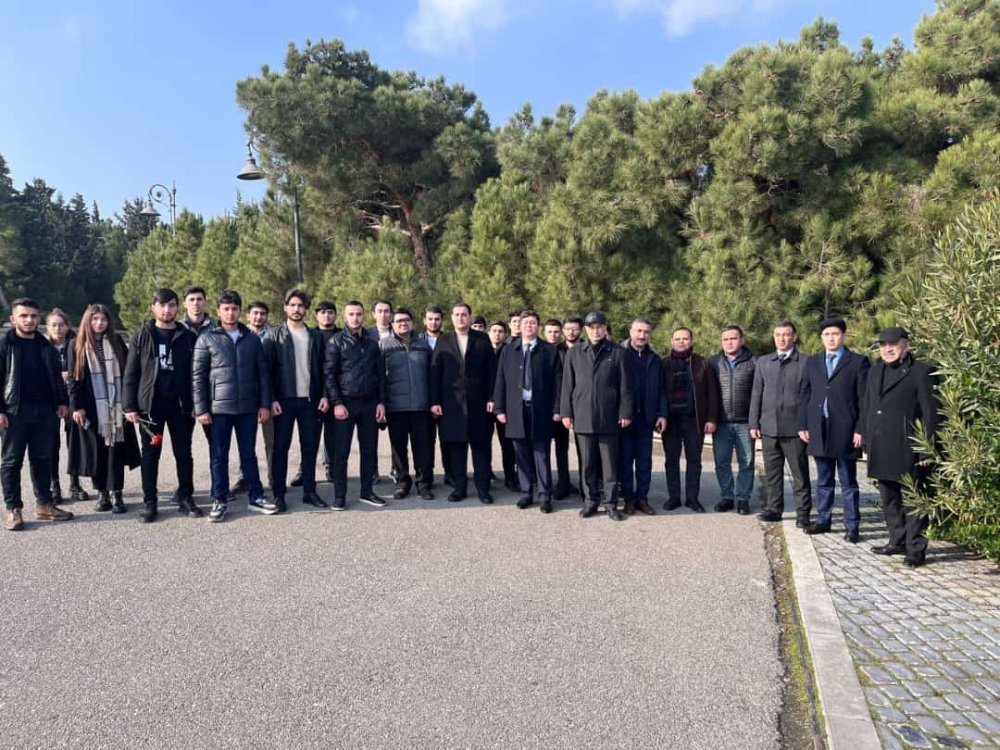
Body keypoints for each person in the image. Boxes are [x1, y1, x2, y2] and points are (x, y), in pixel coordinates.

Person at [192, 289, 277, 522]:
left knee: (249, 455)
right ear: (218, 311)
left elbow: (263, 375)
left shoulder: (251, 339)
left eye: (234, 309)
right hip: (218, 410)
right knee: (219, 456)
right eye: (226, 309)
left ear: (240, 311)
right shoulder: (207, 338)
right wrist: (201, 409)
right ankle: (219, 499)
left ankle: (256, 496)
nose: (230, 313)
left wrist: (264, 404)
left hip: (248, 408)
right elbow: (198, 377)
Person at [862, 327, 940, 567]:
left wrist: (929, 448)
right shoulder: (875, 371)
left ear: (905, 345)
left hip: (909, 446)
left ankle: (915, 549)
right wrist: (866, 438)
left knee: (914, 498)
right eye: (883, 345)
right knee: (889, 497)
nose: (887, 349)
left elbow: (932, 413)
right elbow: (868, 406)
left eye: (892, 344)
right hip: (881, 443)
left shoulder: (922, 372)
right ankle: (897, 540)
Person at [123, 288, 201, 522]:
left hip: (180, 407)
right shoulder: (142, 335)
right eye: (162, 305)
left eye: (171, 305)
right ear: (153, 307)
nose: (167, 310)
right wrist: (130, 406)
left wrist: (197, 403)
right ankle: (150, 502)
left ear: (178, 308)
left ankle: (186, 497)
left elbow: (196, 373)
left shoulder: (187, 336)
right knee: (150, 453)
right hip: (150, 408)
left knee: (183, 452)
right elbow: (131, 372)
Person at [1, 298, 74, 531]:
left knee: (42, 459)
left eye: (33, 316)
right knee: (12, 461)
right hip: (14, 412)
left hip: (44, 411)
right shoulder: (5, 345)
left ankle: (44, 505)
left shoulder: (45, 346)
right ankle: (13, 509)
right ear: (13, 318)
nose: (29, 320)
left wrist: (62, 401)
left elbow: (56, 377)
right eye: (23, 316)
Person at [798, 316, 870, 543]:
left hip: (846, 430)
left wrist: (860, 429)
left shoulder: (858, 362)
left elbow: (864, 399)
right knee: (823, 479)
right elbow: (805, 394)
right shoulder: (813, 361)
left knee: (848, 481)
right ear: (821, 337)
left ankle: (852, 526)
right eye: (827, 334)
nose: (831, 338)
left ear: (844, 336)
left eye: (835, 334)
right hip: (819, 429)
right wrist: (803, 424)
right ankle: (823, 520)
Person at [67, 303, 141, 514]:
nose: (99, 323)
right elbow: (73, 378)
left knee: (115, 451)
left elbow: (128, 373)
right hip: (91, 407)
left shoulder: (116, 341)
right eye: (95, 319)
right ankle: (102, 493)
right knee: (97, 451)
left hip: (116, 406)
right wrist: (77, 406)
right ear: (87, 321)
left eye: (103, 319)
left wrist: (129, 403)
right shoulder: (76, 344)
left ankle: (117, 493)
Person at [560, 311, 632, 521]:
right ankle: (590, 501)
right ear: (586, 330)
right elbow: (567, 385)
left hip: (609, 417)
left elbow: (625, 386)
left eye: (599, 327)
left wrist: (625, 412)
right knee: (587, 464)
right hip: (582, 416)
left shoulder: (617, 352)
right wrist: (566, 412)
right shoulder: (575, 352)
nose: (595, 331)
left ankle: (610, 503)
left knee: (609, 465)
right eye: (591, 327)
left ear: (605, 328)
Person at [263, 289, 330, 513]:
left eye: (300, 305)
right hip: (283, 401)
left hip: (310, 401)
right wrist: (271, 399)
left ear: (306, 309)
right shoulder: (273, 335)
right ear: (285, 307)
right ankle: (279, 495)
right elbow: (266, 371)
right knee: (280, 448)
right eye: (292, 305)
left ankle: (310, 492)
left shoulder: (315, 336)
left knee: (309, 448)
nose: (296, 309)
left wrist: (325, 395)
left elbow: (325, 369)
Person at [492, 310, 562, 513]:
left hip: (541, 410)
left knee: (541, 454)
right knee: (521, 454)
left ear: (538, 326)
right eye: (526, 323)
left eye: (533, 323)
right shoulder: (508, 350)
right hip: (516, 409)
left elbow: (558, 383)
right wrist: (499, 408)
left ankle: (544, 494)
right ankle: (526, 492)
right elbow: (500, 380)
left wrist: (557, 408)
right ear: (519, 326)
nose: (529, 326)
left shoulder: (549, 351)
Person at [431, 302, 496, 503]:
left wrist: (492, 397)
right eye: (457, 314)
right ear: (452, 318)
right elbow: (435, 372)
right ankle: (459, 488)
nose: (460, 318)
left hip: (479, 404)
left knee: (481, 448)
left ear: (470, 317)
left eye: (464, 314)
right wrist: (434, 401)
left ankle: (483, 489)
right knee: (457, 449)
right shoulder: (443, 340)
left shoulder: (482, 339)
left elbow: (492, 371)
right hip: (452, 404)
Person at [325, 300, 387, 510]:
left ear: (364, 316)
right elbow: (329, 375)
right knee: (341, 453)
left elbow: (380, 375)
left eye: (359, 314)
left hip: (369, 404)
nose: (355, 318)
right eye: (351, 314)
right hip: (346, 404)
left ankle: (367, 492)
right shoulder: (335, 342)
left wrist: (381, 402)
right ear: (345, 317)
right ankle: (339, 496)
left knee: (369, 450)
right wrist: (337, 403)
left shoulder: (372, 344)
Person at [749, 321, 812, 526]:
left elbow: (810, 396)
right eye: (778, 335)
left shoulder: (805, 362)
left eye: (786, 334)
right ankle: (774, 509)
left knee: (799, 474)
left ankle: (803, 513)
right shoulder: (764, 362)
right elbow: (756, 393)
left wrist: (806, 424)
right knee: (772, 474)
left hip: (795, 429)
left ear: (794, 337)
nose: (782, 339)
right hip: (769, 427)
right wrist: (753, 423)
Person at [379, 308, 434, 501]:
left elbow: (432, 375)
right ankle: (403, 483)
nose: (403, 323)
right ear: (392, 324)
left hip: (421, 406)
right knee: (398, 448)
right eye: (399, 321)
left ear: (412, 322)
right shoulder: (384, 346)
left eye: (406, 320)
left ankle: (423, 484)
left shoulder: (423, 346)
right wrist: (381, 403)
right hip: (396, 407)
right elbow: (379, 377)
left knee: (423, 447)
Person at [661, 327, 718, 513]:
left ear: (691, 341)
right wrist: (660, 416)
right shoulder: (664, 364)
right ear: (672, 341)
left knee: (694, 460)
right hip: (671, 421)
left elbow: (712, 393)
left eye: (685, 338)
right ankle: (674, 497)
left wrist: (711, 418)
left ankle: (692, 498)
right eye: (677, 338)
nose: (681, 342)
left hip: (694, 420)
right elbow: (658, 392)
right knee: (671, 460)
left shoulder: (702, 363)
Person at [619, 318, 667, 516]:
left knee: (644, 462)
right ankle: (628, 499)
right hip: (625, 419)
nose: (642, 335)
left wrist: (662, 414)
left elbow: (662, 388)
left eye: (646, 332)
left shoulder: (654, 359)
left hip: (646, 419)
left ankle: (642, 499)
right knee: (625, 461)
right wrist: (621, 412)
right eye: (638, 331)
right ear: (630, 331)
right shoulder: (619, 354)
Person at [708, 326, 758, 515]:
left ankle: (743, 499)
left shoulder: (754, 362)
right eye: (726, 339)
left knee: (747, 462)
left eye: (733, 338)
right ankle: (727, 497)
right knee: (722, 462)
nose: (729, 342)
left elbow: (759, 393)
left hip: (745, 422)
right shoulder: (713, 362)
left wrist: (755, 422)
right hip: (721, 422)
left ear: (742, 340)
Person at [43, 308, 89, 504]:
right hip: (50, 400)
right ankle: (54, 485)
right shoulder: (42, 346)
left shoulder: (77, 344)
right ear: (47, 327)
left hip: (73, 399)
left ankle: (75, 483)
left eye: (61, 325)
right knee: (51, 445)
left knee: (74, 442)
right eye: (53, 325)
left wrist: (70, 375)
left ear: (68, 326)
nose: (57, 328)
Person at [239, 300, 276, 491]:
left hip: (268, 395)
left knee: (272, 441)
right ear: (247, 315)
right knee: (246, 442)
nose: (259, 317)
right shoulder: (239, 334)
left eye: (262, 313)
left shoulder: (275, 336)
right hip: (245, 396)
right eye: (255, 313)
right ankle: (244, 478)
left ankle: (273, 478)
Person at [553, 315, 584, 499]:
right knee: (561, 448)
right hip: (561, 404)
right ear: (563, 330)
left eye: (575, 328)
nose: (571, 332)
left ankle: (586, 486)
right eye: (568, 329)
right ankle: (563, 483)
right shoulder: (555, 350)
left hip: (583, 405)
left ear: (581, 330)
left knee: (586, 450)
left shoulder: (587, 348)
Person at [488, 320, 518, 491]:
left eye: (500, 331)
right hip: (485, 405)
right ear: (489, 333)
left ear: (505, 334)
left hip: (505, 405)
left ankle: (510, 477)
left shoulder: (509, 351)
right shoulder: (483, 350)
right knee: (484, 442)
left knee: (507, 444)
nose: (497, 334)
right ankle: (486, 473)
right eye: (494, 331)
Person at [314, 300, 340, 483]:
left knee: (332, 434)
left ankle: (331, 467)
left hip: (336, 392)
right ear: (316, 315)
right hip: (314, 392)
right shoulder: (310, 335)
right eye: (323, 312)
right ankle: (304, 469)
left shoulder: (341, 335)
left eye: (330, 312)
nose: (327, 316)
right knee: (310, 435)